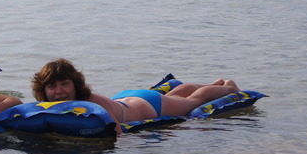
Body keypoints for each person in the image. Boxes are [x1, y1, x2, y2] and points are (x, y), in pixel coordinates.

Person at [31, 58, 240, 134]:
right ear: (44, 90)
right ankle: (212, 84)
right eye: (52, 86)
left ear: (75, 84)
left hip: (146, 105)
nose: (59, 91)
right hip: (126, 97)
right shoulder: (47, 107)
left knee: (191, 102)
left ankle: (227, 87)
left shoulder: (92, 103)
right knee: (176, 93)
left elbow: (117, 133)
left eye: (64, 84)